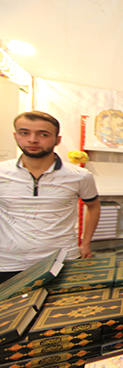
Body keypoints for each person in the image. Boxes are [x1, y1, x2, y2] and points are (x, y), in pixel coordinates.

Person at [0, 111, 101, 283]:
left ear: (57, 140)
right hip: (9, 263)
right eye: (24, 133)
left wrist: (85, 244)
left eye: (43, 134)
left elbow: (93, 206)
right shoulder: (2, 173)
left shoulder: (79, 176)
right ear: (15, 135)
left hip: (63, 260)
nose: (32, 140)